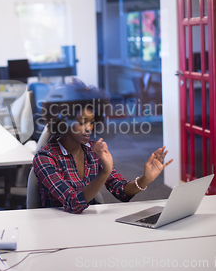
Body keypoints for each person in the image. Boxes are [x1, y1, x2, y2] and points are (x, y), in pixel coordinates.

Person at [33, 79, 173, 214]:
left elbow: (121, 190)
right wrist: (104, 172)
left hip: (91, 225)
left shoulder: (92, 150)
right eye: (82, 122)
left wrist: (145, 179)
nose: (89, 128)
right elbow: (72, 203)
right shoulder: (45, 158)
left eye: (92, 122)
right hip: (58, 228)